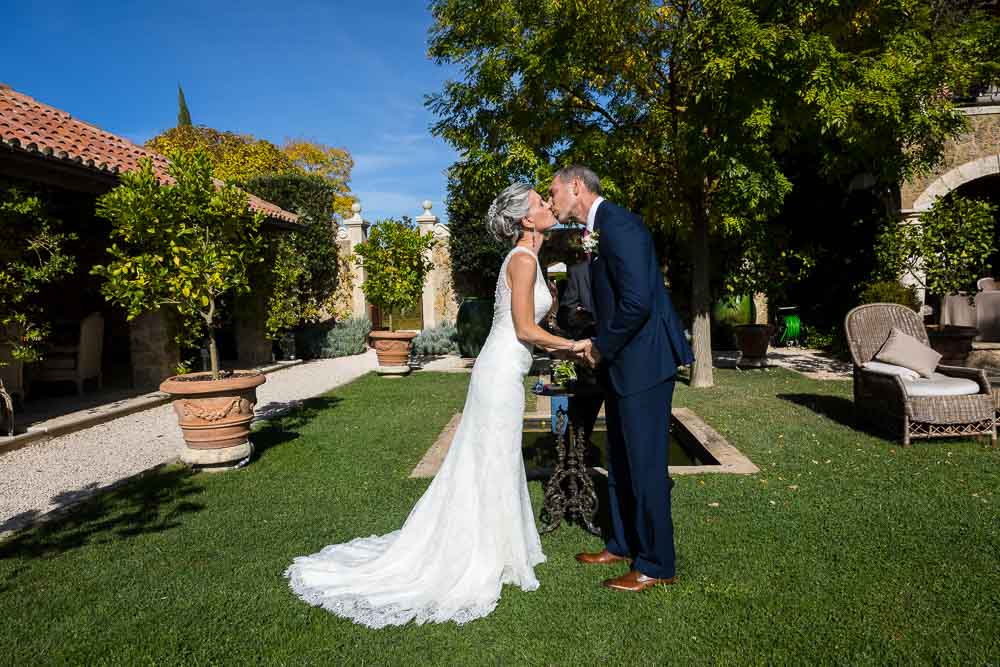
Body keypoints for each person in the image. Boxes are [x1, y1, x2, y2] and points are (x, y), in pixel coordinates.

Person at [285, 183, 587, 627]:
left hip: (504, 371)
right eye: (541, 203)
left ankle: (498, 546)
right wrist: (575, 347)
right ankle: (483, 553)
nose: (548, 205)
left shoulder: (530, 259)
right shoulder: (522, 260)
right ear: (526, 219)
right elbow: (525, 330)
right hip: (501, 372)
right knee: (492, 460)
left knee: (493, 460)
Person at [548, 165, 694, 592]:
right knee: (620, 457)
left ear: (577, 187)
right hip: (622, 363)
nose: (552, 199)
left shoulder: (620, 224)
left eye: (554, 192)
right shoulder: (598, 228)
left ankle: (656, 563)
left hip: (645, 362)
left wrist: (600, 346)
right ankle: (622, 543)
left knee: (645, 463)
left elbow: (637, 302)